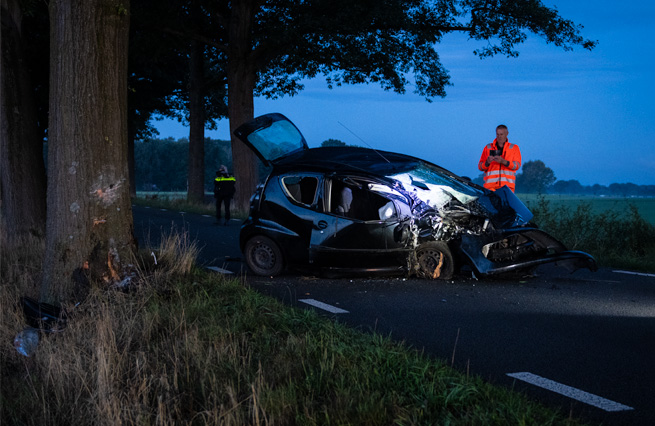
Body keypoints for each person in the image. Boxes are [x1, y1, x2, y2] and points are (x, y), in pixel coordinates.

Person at [478, 124, 522, 192]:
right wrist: (487, 162)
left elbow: (517, 165)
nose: (499, 137)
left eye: (501, 134)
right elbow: (480, 167)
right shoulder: (488, 147)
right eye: (497, 134)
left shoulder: (514, 148)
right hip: (490, 188)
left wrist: (503, 161)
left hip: (507, 188)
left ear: (507, 134)